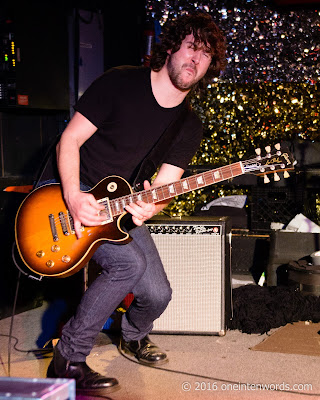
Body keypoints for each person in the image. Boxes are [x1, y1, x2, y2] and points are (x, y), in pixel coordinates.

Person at [45, 11, 226, 394]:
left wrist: (150, 208)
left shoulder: (188, 124)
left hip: (118, 206)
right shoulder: (120, 83)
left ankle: (131, 335)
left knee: (159, 295)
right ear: (171, 47)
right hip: (68, 194)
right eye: (191, 47)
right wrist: (74, 196)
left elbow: (165, 185)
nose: (195, 59)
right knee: (129, 264)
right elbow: (69, 141)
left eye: (206, 55)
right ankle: (69, 356)